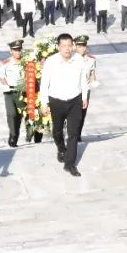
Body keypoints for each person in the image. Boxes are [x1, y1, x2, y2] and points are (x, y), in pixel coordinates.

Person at [39, 33, 90, 177]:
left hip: (75, 100)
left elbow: (83, 80)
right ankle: (61, 148)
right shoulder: (51, 62)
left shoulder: (79, 59)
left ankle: (70, 164)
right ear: (59, 47)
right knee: (57, 130)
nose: (67, 49)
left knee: (73, 133)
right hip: (57, 102)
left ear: (73, 46)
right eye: (64, 46)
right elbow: (44, 84)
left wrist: (84, 97)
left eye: (69, 46)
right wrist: (44, 103)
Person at [0, 39, 26, 147]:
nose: (18, 52)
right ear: (11, 51)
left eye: (19, 49)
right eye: (15, 50)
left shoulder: (26, 62)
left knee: (19, 116)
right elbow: (2, 78)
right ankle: (12, 134)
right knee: (12, 114)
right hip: (9, 92)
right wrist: (8, 87)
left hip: (21, 92)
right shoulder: (6, 63)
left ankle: (15, 135)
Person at [73, 35, 98, 141]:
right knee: (73, 115)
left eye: (84, 46)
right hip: (73, 90)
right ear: (75, 46)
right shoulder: (71, 59)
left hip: (85, 90)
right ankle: (73, 134)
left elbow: (92, 73)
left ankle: (78, 135)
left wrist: (94, 82)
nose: (82, 48)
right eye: (79, 46)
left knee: (82, 114)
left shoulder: (91, 60)